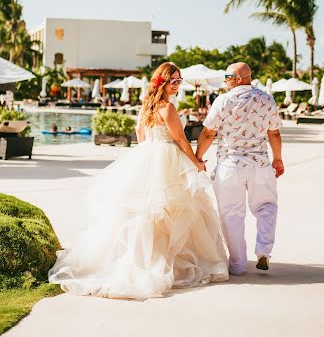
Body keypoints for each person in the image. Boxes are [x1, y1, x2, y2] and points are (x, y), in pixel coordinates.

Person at [49, 62, 228, 299]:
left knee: (150, 212)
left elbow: (140, 137)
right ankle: (162, 260)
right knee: (169, 210)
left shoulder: (147, 107)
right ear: (163, 82)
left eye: (179, 80)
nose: (177, 85)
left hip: (147, 155)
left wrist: (148, 156)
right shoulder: (168, 109)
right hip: (166, 157)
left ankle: (146, 256)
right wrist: (197, 162)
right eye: (174, 81)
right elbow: (181, 141)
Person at [196, 62, 284, 275]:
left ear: (238, 78)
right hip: (260, 166)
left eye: (227, 76)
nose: (225, 81)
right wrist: (278, 159)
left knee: (231, 215)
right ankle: (263, 250)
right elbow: (274, 133)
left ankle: (238, 264)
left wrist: (198, 157)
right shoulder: (266, 99)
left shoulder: (223, 101)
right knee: (267, 207)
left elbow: (208, 133)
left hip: (230, 166)